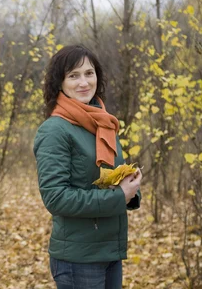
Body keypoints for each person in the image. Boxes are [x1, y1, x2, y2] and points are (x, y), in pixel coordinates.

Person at [33, 44, 142, 289]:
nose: (84, 82)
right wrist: (119, 196)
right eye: (73, 75)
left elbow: (111, 178)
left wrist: (131, 188)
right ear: (59, 82)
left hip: (109, 251)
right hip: (78, 258)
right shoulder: (54, 130)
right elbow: (56, 197)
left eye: (89, 73)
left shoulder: (103, 122)